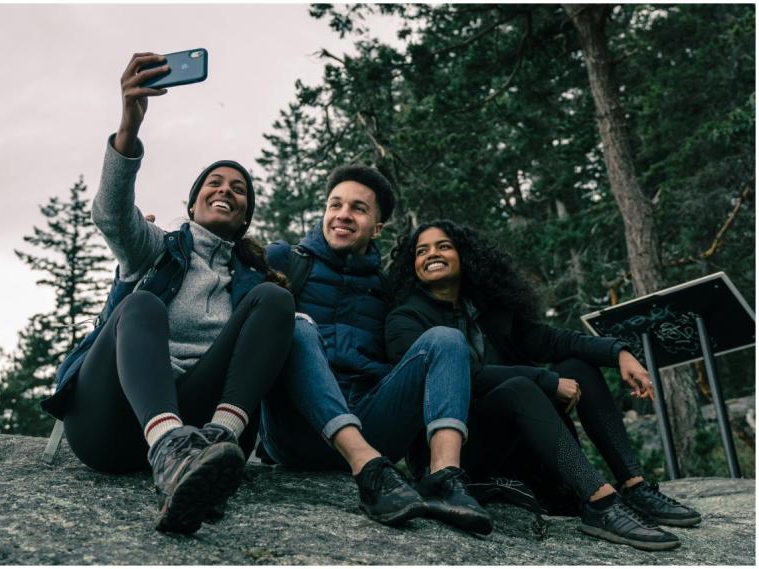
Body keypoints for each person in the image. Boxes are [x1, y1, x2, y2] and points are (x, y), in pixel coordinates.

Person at [40, 52, 295, 535]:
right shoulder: (159, 249)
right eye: (214, 184)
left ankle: (212, 448)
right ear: (194, 203)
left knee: (278, 301)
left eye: (238, 189)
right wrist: (129, 127)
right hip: (111, 424)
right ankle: (169, 450)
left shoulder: (253, 279)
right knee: (142, 303)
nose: (226, 190)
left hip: (203, 427)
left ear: (245, 218)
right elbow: (112, 215)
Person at [385, 220, 701, 551]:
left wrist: (617, 351)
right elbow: (462, 376)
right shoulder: (404, 321)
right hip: (455, 450)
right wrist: (546, 381)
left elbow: (551, 340)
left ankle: (635, 486)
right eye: (422, 251)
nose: (432, 254)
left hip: (511, 434)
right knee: (520, 386)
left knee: (577, 366)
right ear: (413, 266)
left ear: (464, 255)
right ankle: (601, 504)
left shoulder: (487, 309)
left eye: (443, 246)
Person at [258, 167, 492, 535]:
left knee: (445, 338)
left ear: (377, 227)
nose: (343, 215)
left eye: (358, 208)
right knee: (298, 324)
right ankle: (367, 469)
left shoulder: (388, 290)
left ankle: (444, 479)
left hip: (371, 422)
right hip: (296, 428)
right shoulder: (284, 261)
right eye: (335, 204)